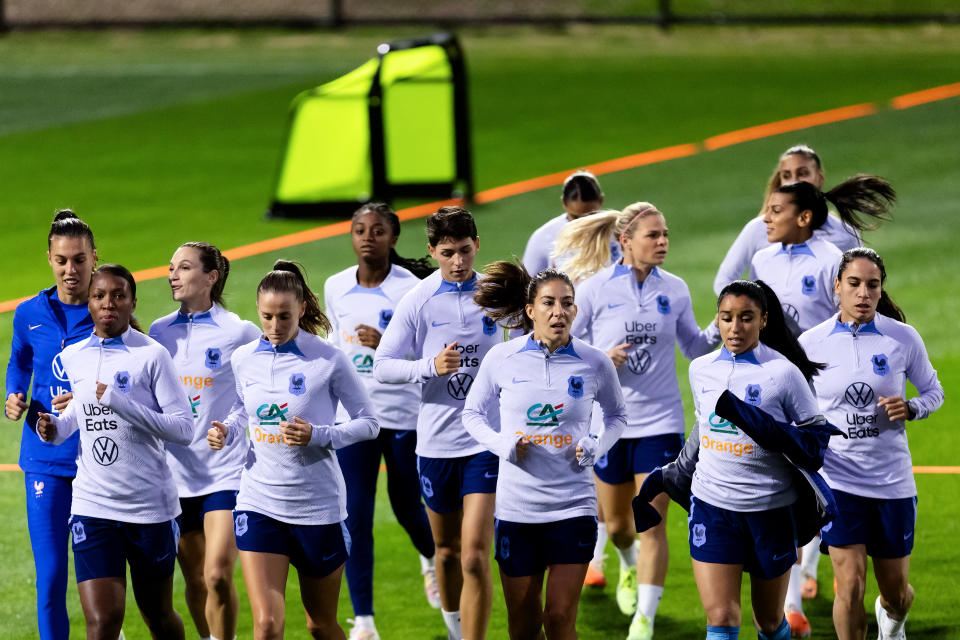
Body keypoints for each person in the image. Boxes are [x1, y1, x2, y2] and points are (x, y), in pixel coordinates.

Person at [556, 202, 721, 639]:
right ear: (625, 241)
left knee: (651, 522)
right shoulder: (592, 290)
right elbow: (566, 347)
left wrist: (724, 325)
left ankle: (643, 620)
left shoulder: (677, 289)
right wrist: (600, 360)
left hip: (661, 421)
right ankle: (626, 564)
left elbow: (694, 347)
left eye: (665, 234)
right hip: (608, 421)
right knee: (616, 526)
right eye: (653, 235)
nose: (663, 242)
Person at [207, 260, 379, 640]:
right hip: (259, 502)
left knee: (320, 625)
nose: (274, 326)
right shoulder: (244, 358)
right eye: (267, 316)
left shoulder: (329, 360)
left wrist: (318, 434)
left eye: (284, 316)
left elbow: (369, 422)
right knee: (267, 625)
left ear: (302, 308)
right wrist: (227, 431)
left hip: (317, 508)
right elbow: (241, 409)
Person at [648, 279, 828, 640]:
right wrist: (671, 476)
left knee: (768, 621)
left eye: (746, 318)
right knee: (722, 618)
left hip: (771, 511)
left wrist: (772, 432)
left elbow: (815, 442)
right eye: (726, 318)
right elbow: (703, 433)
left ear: (763, 320)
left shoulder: (783, 373)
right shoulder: (700, 369)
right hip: (713, 508)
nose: (735, 327)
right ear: (717, 320)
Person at [464, 263, 627, 639]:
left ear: (576, 310)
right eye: (549, 303)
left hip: (573, 506)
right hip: (517, 510)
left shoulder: (594, 361)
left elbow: (618, 415)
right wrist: (502, 444)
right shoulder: (501, 359)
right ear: (530, 310)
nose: (559, 312)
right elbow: (472, 414)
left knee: (557, 618)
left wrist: (597, 443)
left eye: (567, 303)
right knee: (522, 625)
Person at [36, 264, 193, 639]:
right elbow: (78, 418)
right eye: (100, 296)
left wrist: (122, 404)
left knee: (158, 614)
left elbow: (184, 428)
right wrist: (53, 430)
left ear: (132, 302)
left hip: (149, 508)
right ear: (89, 303)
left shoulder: (152, 355)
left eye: (118, 295)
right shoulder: (74, 357)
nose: (109, 303)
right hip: (94, 506)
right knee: (103, 621)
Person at [799, 248, 943, 640]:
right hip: (839, 481)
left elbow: (934, 391)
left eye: (872, 285)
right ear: (837, 287)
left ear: (881, 290)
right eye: (854, 284)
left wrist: (912, 407)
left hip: (892, 481)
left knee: (896, 593)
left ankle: (891, 623)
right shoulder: (811, 344)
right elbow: (794, 405)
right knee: (850, 586)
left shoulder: (901, 338)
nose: (863, 292)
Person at [374, 206, 502, 640]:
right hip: (436, 444)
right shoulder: (418, 300)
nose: (459, 262)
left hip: (485, 440)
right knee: (446, 553)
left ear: (477, 245)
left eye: (465, 251)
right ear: (432, 251)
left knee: (474, 556)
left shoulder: (498, 295)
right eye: (448, 253)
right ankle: (454, 629)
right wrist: (428, 366)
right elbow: (383, 366)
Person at [323, 203, 440, 640]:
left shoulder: (415, 289)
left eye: (377, 230)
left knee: (409, 507)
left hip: (404, 414)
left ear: (393, 237)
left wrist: (389, 347)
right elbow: (334, 346)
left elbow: (432, 354)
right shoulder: (335, 287)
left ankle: (431, 557)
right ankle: (365, 622)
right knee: (355, 517)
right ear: (351, 237)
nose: (366, 236)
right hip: (355, 418)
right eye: (359, 230)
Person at [149, 242, 260, 640]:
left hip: (225, 473)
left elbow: (256, 395)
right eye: (171, 267)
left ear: (211, 277)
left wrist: (230, 426)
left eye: (183, 267)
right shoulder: (159, 332)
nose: (172, 275)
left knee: (216, 574)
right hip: (176, 476)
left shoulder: (240, 332)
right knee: (194, 580)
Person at [5, 210, 97, 640]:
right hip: (45, 461)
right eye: (61, 260)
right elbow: (19, 360)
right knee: (51, 577)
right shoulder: (28, 314)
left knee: (101, 584)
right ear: (49, 259)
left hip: (100, 463)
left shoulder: (107, 312)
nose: (70, 270)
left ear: (94, 257)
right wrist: (14, 393)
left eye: (79, 259)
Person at [750, 175, 895, 336]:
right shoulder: (760, 260)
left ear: (804, 218)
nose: (766, 218)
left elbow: (851, 322)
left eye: (775, 211)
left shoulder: (832, 260)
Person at [713, 144, 863, 296]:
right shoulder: (759, 229)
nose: (794, 181)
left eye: (802, 173)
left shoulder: (845, 235)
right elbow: (724, 280)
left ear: (819, 178)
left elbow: (861, 288)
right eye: (786, 175)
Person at [522, 169, 621, 276]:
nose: (582, 224)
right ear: (564, 203)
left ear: (601, 201)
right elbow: (525, 284)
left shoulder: (619, 230)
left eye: (590, 216)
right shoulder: (544, 237)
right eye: (576, 217)